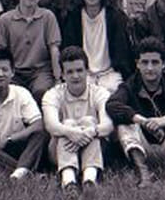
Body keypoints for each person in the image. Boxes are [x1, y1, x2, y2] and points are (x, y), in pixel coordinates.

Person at [106, 37, 165, 187]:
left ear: (163, 64)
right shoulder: (129, 86)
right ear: (137, 64)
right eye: (145, 62)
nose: (150, 68)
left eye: (155, 62)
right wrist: (141, 120)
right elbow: (112, 104)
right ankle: (143, 173)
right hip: (142, 149)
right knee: (124, 123)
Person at [0, 49, 49, 179]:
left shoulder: (21, 93)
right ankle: (24, 172)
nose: (0, 74)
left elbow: (38, 124)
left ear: (12, 72)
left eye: (5, 70)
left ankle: (18, 172)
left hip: (16, 145)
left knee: (40, 134)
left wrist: (9, 139)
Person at [42, 46, 113, 190]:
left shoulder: (100, 93)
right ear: (62, 75)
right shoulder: (52, 94)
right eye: (70, 72)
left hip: (95, 150)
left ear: (87, 71)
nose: (75, 76)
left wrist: (89, 132)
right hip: (59, 152)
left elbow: (108, 125)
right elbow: (51, 125)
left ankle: (89, 179)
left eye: (80, 70)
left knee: (89, 122)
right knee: (67, 124)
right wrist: (70, 132)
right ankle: (69, 181)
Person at [0, 0, 62, 103]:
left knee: (41, 91)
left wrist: (58, 79)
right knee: (14, 94)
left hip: (40, 71)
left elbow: (54, 50)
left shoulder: (48, 17)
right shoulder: (5, 19)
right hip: (14, 71)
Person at [61, 0, 133, 93]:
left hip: (110, 73)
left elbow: (123, 51)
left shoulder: (115, 16)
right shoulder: (73, 17)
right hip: (82, 73)